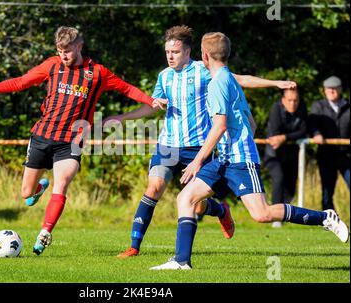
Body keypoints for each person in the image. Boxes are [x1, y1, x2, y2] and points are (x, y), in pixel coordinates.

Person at [150, 32, 349, 270]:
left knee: (262, 214)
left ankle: (325, 218)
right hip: (223, 159)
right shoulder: (226, 78)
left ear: (204, 55)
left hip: (239, 160)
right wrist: (274, 85)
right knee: (186, 198)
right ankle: (182, 261)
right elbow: (249, 119)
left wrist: (198, 161)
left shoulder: (217, 84)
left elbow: (220, 125)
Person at [0, 26, 158, 256]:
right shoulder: (52, 65)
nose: (63, 55)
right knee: (26, 193)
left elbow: (127, 89)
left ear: (79, 46)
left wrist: (151, 101)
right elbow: (21, 82)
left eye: (67, 50)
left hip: (71, 141)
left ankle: (45, 232)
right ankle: (37, 189)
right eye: (59, 50)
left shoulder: (97, 73)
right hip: (42, 136)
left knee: (62, 183)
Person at [105, 25, 298, 259]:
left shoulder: (203, 70)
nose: (170, 56)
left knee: (194, 204)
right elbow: (151, 105)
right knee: (153, 188)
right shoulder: (164, 76)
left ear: (188, 52)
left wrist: (276, 83)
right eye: (167, 52)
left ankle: (218, 209)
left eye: (175, 52)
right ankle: (134, 246)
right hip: (168, 145)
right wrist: (122, 118)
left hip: (198, 148)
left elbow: (239, 80)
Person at [264, 88, 308, 228]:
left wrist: (285, 137)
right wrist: (289, 136)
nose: (293, 103)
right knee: (279, 179)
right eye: (289, 100)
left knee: (290, 188)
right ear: (283, 100)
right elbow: (276, 133)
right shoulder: (276, 109)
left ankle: (285, 213)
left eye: (295, 100)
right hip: (274, 155)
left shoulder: (302, 109)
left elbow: (303, 131)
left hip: (291, 155)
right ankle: (276, 219)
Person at [309, 76, 350, 211]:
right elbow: (312, 124)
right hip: (326, 155)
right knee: (327, 190)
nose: (332, 91)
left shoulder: (347, 105)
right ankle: (328, 220)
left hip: (347, 155)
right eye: (329, 89)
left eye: (335, 88)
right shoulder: (318, 106)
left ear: (340, 89)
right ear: (324, 91)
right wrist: (316, 134)